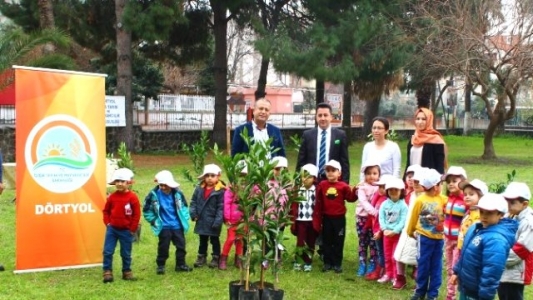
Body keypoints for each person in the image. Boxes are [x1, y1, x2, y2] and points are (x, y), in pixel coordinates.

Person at [451, 193, 518, 300]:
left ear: (500, 214)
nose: (484, 216)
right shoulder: (476, 228)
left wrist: (485, 296)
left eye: (489, 213)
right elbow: (465, 253)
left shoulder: (496, 240)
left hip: (478, 293)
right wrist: (457, 271)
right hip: (467, 287)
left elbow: (492, 271)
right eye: (481, 211)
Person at [407, 168, 447, 300]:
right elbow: (413, 216)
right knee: (423, 265)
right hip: (424, 238)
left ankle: (432, 294)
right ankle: (420, 291)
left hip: (439, 239)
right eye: (441, 184)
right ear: (435, 186)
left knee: (436, 266)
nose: (442, 186)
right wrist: (410, 230)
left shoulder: (443, 200)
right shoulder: (420, 200)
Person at [143, 170, 192, 275]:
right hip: (163, 226)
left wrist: (185, 217)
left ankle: (180, 264)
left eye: (166, 185)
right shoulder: (153, 195)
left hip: (177, 225)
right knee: (163, 247)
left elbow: (184, 206)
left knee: (181, 246)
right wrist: (153, 220)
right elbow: (147, 210)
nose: (164, 187)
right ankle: (160, 265)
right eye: (161, 185)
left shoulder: (178, 194)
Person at [312, 160, 354, 273]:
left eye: (333, 170)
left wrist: (354, 191)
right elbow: (318, 198)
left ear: (339, 173)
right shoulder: (322, 185)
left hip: (339, 219)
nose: (330, 173)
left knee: (338, 241)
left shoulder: (343, 186)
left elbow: (350, 198)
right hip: (327, 218)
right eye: (328, 170)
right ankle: (327, 262)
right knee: (327, 240)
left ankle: (337, 263)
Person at [102, 168, 141, 283]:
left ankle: (126, 272)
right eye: (117, 181)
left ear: (128, 183)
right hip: (112, 229)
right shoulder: (112, 197)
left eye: (122, 181)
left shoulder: (132, 197)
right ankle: (107, 272)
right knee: (108, 251)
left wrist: (132, 229)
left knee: (126, 252)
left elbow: (136, 214)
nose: (119, 183)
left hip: (126, 231)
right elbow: (106, 211)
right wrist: (108, 223)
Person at [296, 102, 350, 183]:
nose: (323, 118)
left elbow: (344, 162)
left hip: (332, 181)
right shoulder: (307, 135)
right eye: (320, 115)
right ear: (316, 117)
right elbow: (301, 161)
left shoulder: (340, 135)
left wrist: (345, 184)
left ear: (331, 117)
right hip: (311, 180)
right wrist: (298, 181)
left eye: (325, 115)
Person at [499, 182, 533, 300]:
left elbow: (521, 250)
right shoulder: (511, 215)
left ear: (524, 204)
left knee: (512, 295)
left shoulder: (528, 223)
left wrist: (498, 258)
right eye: (507, 201)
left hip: (515, 273)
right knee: (503, 294)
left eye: (512, 202)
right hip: (505, 270)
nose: (508, 205)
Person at [393, 165, 425, 290]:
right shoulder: (410, 195)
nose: (413, 181)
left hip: (419, 231)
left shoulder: (425, 197)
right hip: (407, 229)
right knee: (399, 254)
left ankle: (419, 280)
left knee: (418, 256)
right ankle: (400, 277)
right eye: (410, 177)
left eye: (417, 180)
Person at [190, 164, 225, 268]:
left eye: (212, 175)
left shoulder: (220, 191)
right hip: (201, 220)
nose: (210, 178)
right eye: (207, 175)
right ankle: (201, 256)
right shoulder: (199, 188)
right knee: (203, 240)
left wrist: (218, 221)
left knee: (214, 240)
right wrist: (193, 214)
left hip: (213, 220)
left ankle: (215, 257)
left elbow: (221, 207)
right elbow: (193, 202)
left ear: (218, 176)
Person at [441, 166, 467, 300]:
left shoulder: (465, 201)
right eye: (449, 181)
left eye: (454, 180)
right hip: (447, 239)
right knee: (448, 268)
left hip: (458, 242)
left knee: (455, 269)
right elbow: (445, 217)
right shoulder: (449, 199)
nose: (450, 183)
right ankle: (450, 294)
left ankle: (453, 295)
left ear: (463, 182)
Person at [379, 177, 408, 285]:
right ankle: (388, 273)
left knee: (394, 256)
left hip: (397, 235)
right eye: (390, 190)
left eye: (396, 190)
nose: (393, 192)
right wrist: (384, 229)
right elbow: (381, 217)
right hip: (386, 234)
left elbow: (403, 220)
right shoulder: (384, 204)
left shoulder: (403, 206)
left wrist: (395, 231)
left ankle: (396, 276)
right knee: (387, 255)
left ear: (401, 191)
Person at [219, 161, 247, 270]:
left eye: (244, 175)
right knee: (230, 239)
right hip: (233, 220)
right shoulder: (231, 188)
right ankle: (223, 258)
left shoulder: (249, 189)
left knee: (240, 240)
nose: (242, 178)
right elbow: (226, 203)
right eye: (240, 175)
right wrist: (227, 217)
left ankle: (238, 259)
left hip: (243, 220)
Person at [291, 164, 318, 272]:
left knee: (311, 242)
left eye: (309, 177)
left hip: (312, 221)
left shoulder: (316, 190)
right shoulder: (297, 189)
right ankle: (298, 260)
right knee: (300, 242)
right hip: (301, 220)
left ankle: (308, 261)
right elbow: (293, 205)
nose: (306, 179)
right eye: (304, 176)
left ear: (314, 178)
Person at [365, 174, 392, 281]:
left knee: (383, 252)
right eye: (379, 186)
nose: (380, 189)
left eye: (383, 187)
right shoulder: (378, 197)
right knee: (379, 251)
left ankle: (382, 271)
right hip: (376, 229)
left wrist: (380, 231)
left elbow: (385, 220)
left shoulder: (387, 202)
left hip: (382, 231)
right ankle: (381, 269)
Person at [355, 161, 381, 277]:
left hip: (374, 220)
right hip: (363, 218)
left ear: (379, 175)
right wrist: (374, 212)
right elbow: (364, 202)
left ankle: (373, 263)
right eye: (368, 173)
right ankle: (362, 263)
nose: (371, 176)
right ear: (364, 175)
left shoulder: (380, 187)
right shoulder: (362, 188)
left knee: (373, 242)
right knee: (362, 241)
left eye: (374, 173)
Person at [405, 107, 447, 175]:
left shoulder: (436, 140)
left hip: (428, 181)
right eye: (417, 119)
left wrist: (439, 181)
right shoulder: (413, 139)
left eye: (424, 119)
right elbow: (408, 163)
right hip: (412, 180)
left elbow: (440, 165)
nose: (420, 122)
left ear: (429, 120)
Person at [360, 117, 401, 182]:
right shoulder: (367, 147)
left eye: (379, 128)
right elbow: (363, 169)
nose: (376, 130)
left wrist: (392, 186)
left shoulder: (393, 147)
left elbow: (396, 170)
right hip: (370, 185)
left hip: (387, 185)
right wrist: (362, 184)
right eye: (374, 128)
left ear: (386, 131)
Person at [456, 179, 488, 252]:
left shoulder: (480, 214)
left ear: (481, 196)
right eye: (465, 194)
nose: (467, 196)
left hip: (470, 250)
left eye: (471, 194)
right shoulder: (469, 212)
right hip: (461, 247)